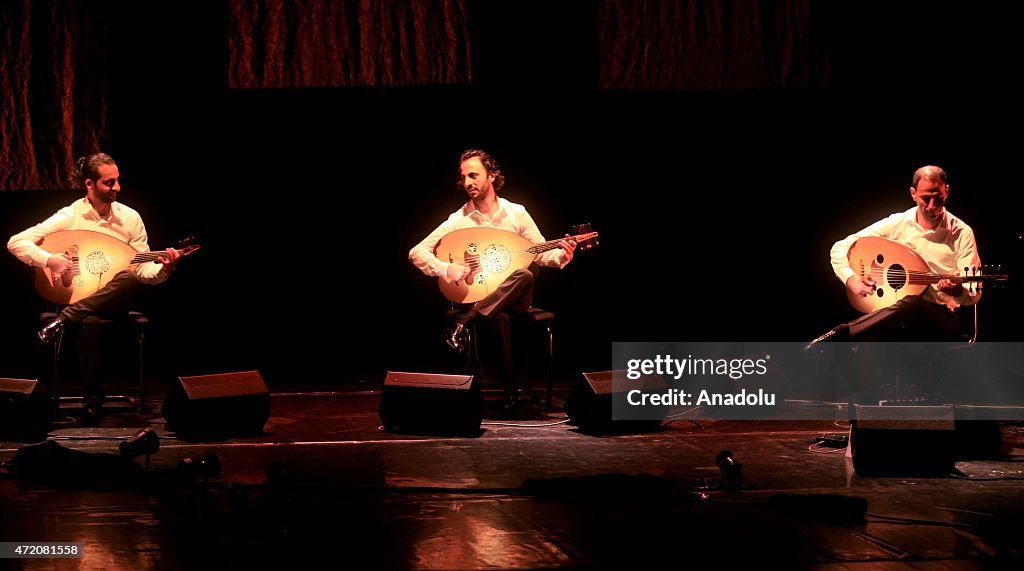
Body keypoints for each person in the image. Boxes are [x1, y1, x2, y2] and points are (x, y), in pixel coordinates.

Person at [7, 152, 180, 421]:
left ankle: (63, 320)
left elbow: (144, 271)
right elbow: (16, 242)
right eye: (109, 183)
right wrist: (50, 259)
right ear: (90, 184)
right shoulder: (70, 216)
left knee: (128, 276)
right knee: (90, 322)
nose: (117, 188)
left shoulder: (130, 218)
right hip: (82, 302)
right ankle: (93, 402)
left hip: (116, 302)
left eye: (117, 181)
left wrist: (165, 268)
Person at [409, 149, 576, 410]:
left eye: (473, 175)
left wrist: (562, 255)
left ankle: (466, 321)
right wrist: (445, 268)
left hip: (517, 295)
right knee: (500, 317)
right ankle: (510, 394)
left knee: (523, 273)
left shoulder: (516, 213)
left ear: (492, 176)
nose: (467, 183)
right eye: (463, 177)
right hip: (482, 297)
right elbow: (416, 251)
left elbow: (541, 253)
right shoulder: (460, 219)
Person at [826, 165, 982, 401]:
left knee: (913, 303)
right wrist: (851, 279)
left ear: (946, 192)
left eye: (937, 199)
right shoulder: (896, 224)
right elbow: (841, 246)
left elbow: (974, 292)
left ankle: (846, 331)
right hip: (897, 318)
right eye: (925, 199)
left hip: (942, 319)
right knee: (871, 343)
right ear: (913, 193)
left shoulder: (961, 233)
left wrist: (959, 290)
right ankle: (867, 423)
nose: (931, 206)